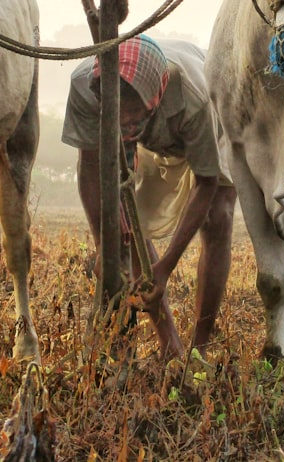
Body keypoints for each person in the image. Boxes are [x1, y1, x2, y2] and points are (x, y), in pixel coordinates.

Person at [62, 35, 237, 359]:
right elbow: (89, 165)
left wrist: (166, 266)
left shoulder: (195, 97)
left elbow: (206, 182)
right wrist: (105, 243)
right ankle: (169, 342)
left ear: (156, 94)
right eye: (117, 115)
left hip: (211, 125)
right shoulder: (85, 87)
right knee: (130, 224)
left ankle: (199, 349)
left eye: (132, 115)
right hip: (150, 137)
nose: (124, 122)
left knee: (218, 218)